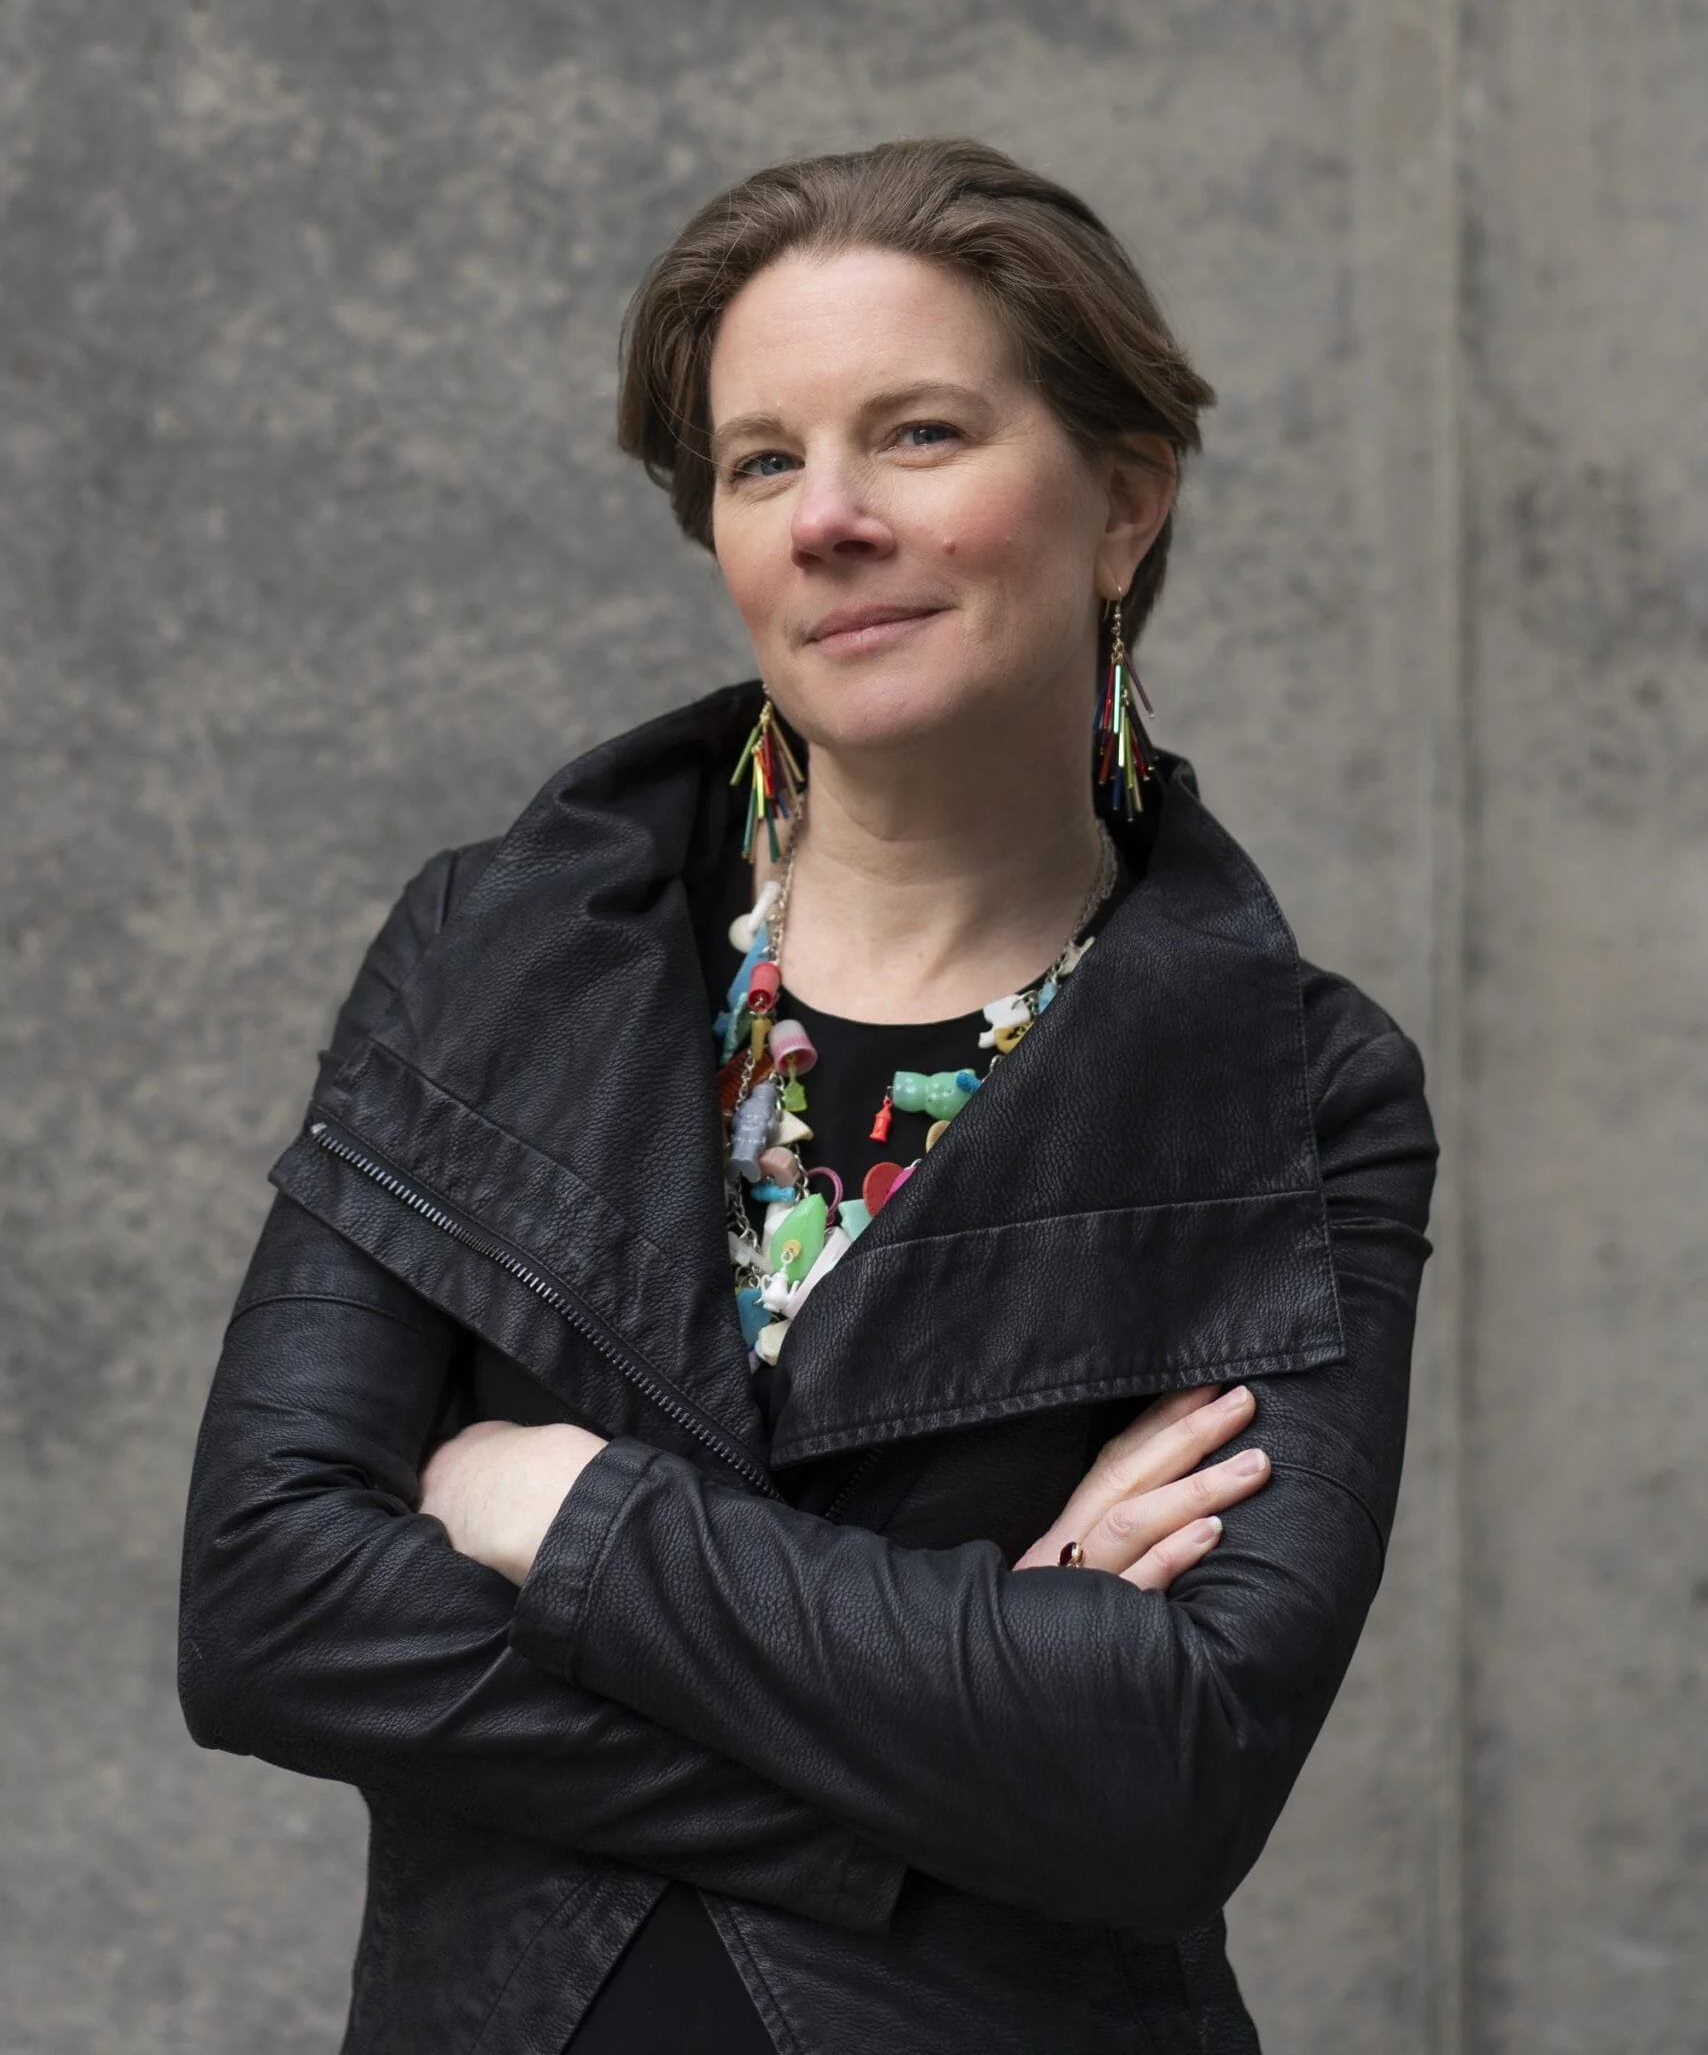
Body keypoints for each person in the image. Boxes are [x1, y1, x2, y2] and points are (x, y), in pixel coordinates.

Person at [178, 137, 1437, 2055]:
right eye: (763, 462)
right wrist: (963, 1720)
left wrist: (568, 1507)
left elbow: (1173, 1767)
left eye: (918, 434)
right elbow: (268, 1610)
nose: (828, 518)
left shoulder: (1290, 1084)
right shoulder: (496, 953)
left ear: (1124, 503)